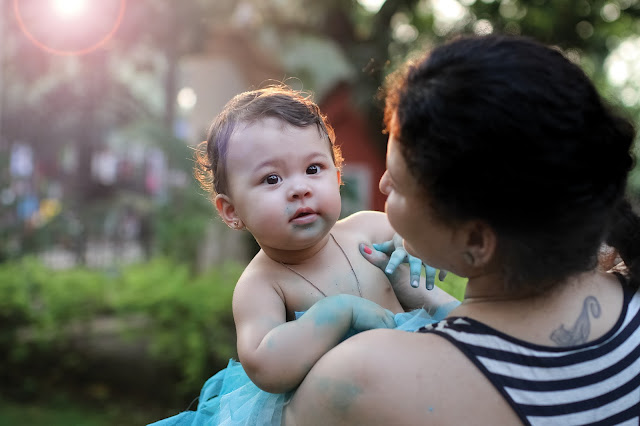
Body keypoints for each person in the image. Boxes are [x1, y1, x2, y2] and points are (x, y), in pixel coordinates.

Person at [282, 34, 640, 425]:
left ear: (475, 240)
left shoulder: (363, 380)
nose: (383, 186)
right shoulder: (629, 290)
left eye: (398, 183)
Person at [148, 86, 460, 426]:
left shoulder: (368, 229)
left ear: (337, 177)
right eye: (272, 178)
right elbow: (264, 365)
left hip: (413, 384)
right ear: (231, 210)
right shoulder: (263, 283)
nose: (299, 188)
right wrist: (337, 312)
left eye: (313, 169)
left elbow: (419, 237)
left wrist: (410, 250)